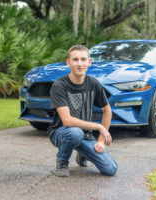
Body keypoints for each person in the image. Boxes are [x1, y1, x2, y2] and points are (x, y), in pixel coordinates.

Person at [47, 45, 118, 177]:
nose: (79, 64)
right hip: (61, 133)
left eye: (83, 59)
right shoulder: (59, 85)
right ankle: (62, 162)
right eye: (75, 60)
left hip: (85, 136)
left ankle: (83, 153)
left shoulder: (94, 83)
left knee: (111, 169)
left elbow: (107, 110)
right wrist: (99, 127)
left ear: (89, 62)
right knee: (75, 133)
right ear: (68, 63)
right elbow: (67, 121)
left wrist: (101, 141)